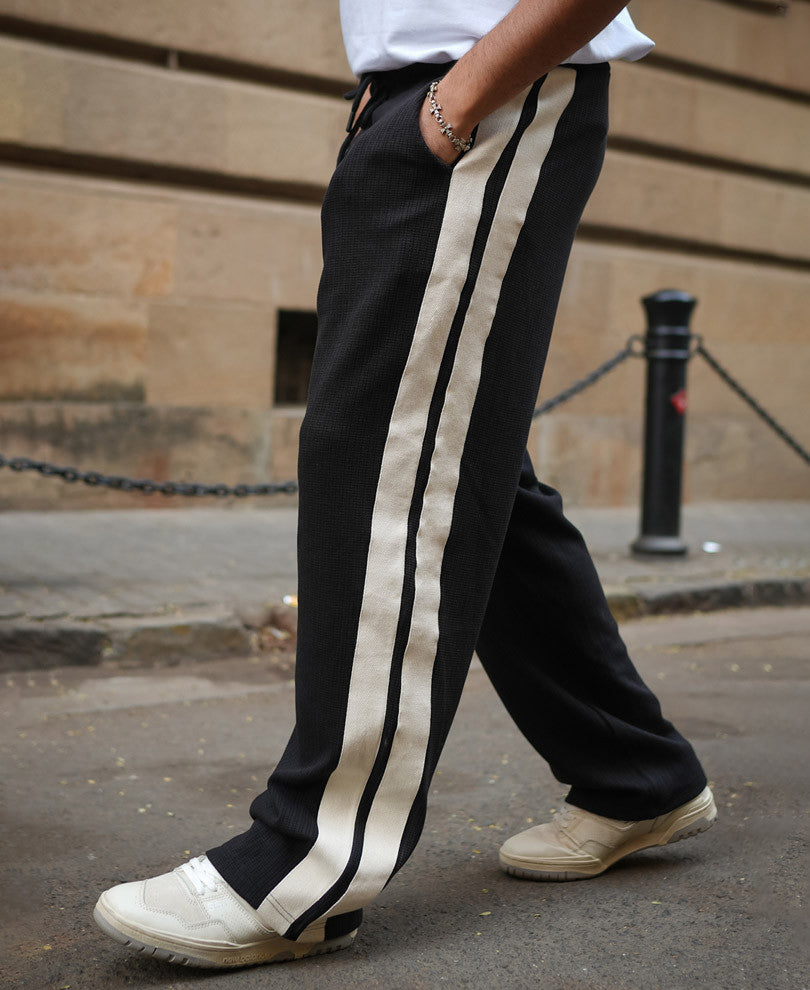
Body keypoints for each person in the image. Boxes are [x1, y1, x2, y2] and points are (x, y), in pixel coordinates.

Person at [94, 0, 716, 969]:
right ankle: (634, 768)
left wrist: (457, 102)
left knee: (383, 450)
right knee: (468, 470)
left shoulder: (469, 98)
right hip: (426, 103)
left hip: (486, 91)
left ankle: (311, 856)